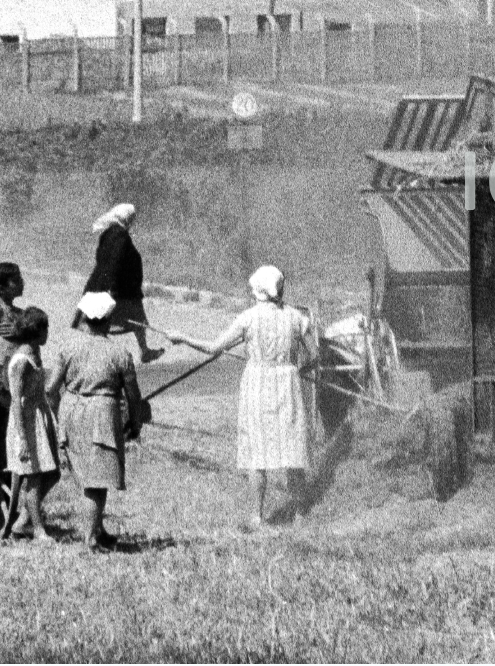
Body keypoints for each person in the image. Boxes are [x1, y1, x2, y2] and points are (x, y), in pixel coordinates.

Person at [179, 265, 322, 527]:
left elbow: (213, 348)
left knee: (258, 452)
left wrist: (182, 338)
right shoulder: (296, 317)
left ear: (257, 291)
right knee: (291, 450)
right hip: (287, 383)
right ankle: (300, 514)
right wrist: (297, 370)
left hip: (257, 384)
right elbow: (314, 355)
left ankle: (257, 516)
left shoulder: (248, 318)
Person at [48, 319, 142, 551]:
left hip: (72, 410)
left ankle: (98, 530)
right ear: (109, 320)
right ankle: (90, 538)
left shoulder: (68, 347)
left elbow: (50, 389)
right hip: (102, 414)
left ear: (86, 321)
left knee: (88, 475)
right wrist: (135, 422)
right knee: (98, 481)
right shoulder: (119, 352)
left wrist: (63, 413)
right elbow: (133, 394)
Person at [2, 307, 63, 542]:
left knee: (52, 473)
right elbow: (16, 400)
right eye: (45, 328)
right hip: (25, 423)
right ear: (36, 331)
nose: (48, 333)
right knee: (35, 477)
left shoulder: (35, 353)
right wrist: (23, 439)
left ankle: (24, 518)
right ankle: (38, 529)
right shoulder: (20, 361)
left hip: (38, 418)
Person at [75, 204, 158, 363]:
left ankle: (143, 350)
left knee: (100, 321)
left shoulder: (107, 234)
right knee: (106, 321)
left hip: (108, 285)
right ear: (125, 218)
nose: (132, 221)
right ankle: (141, 350)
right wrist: (112, 287)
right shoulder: (120, 236)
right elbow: (115, 262)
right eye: (131, 218)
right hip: (119, 289)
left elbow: (102, 259)